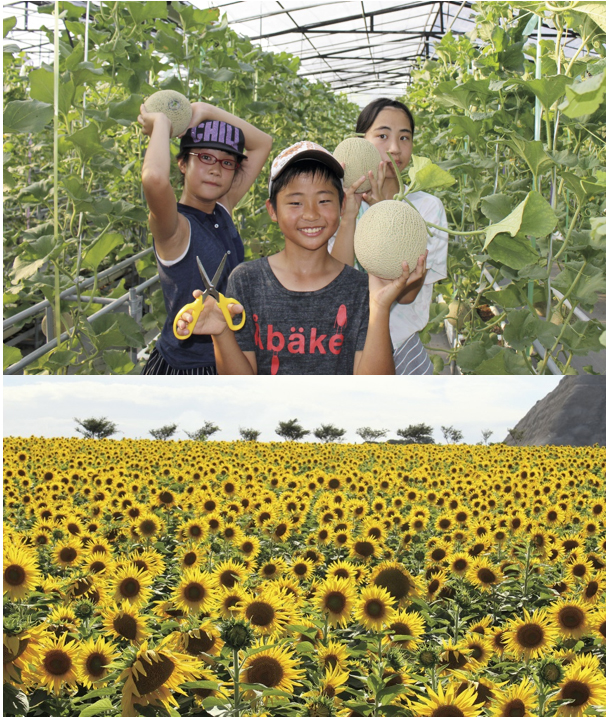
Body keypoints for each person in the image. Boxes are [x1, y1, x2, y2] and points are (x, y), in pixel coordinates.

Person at [175, 142, 427, 375]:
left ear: (342, 207)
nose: (310, 214)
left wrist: (380, 308)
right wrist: (221, 333)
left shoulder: (361, 288)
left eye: (324, 200)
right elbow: (242, 386)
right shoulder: (247, 281)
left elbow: (374, 392)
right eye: (295, 203)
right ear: (272, 210)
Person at [138, 101, 272, 374]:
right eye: (205, 158)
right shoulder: (174, 227)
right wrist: (162, 124)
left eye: (227, 162)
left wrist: (205, 110)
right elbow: (154, 179)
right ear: (182, 164)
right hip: (185, 368)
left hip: (229, 353)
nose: (216, 169)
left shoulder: (222, 207)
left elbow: (263, 144)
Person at [330, 98, 448, 375]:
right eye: (382, 135)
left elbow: (406, 295)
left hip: (401, 345)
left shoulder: (428, 208)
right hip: (339, 344)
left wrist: (383, 209)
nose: (395, 148)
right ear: (361, 141)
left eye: (404, 137)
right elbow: (336, 283)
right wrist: (349, 216)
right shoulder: (335, 202)